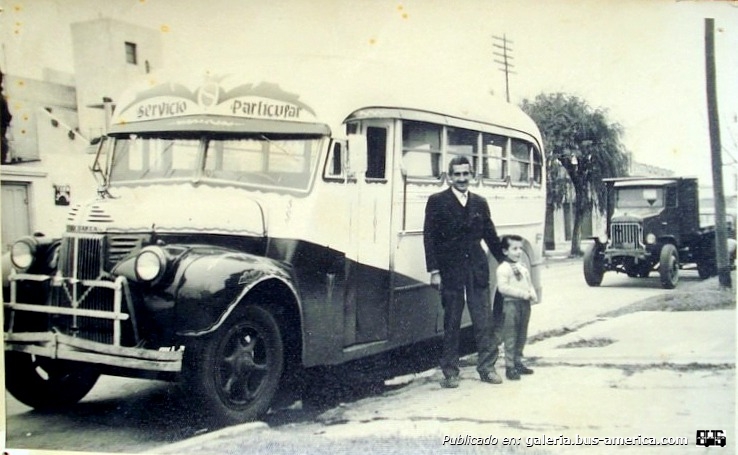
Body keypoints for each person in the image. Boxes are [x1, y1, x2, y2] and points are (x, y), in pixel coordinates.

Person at [423, 155, 505, 388]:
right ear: (449, 177)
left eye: (465, 174)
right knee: (452, 321)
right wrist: (435, 270)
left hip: (477, 268)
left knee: (483, 319)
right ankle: (450, 373)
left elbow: (490, 235)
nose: (461, 179)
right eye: (457, 174)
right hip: (450, 270)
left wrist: (506, 261)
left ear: (472, 175)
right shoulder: (437, 201)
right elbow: (429, 238)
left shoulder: (480, 202)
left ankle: (487, 368)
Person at [496, 234, 538, 380]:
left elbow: (529, 282)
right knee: (511, 336)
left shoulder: (522, 267)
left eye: (520, 248)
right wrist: (522, 294)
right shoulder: (503, 268)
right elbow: (503, 288)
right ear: (505, 251)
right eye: (514, 249)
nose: (519, 252)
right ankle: (510, 367)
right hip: (511, 304)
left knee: (522, 334)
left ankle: (518, 361)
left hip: (524, 305)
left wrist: (532, 293)